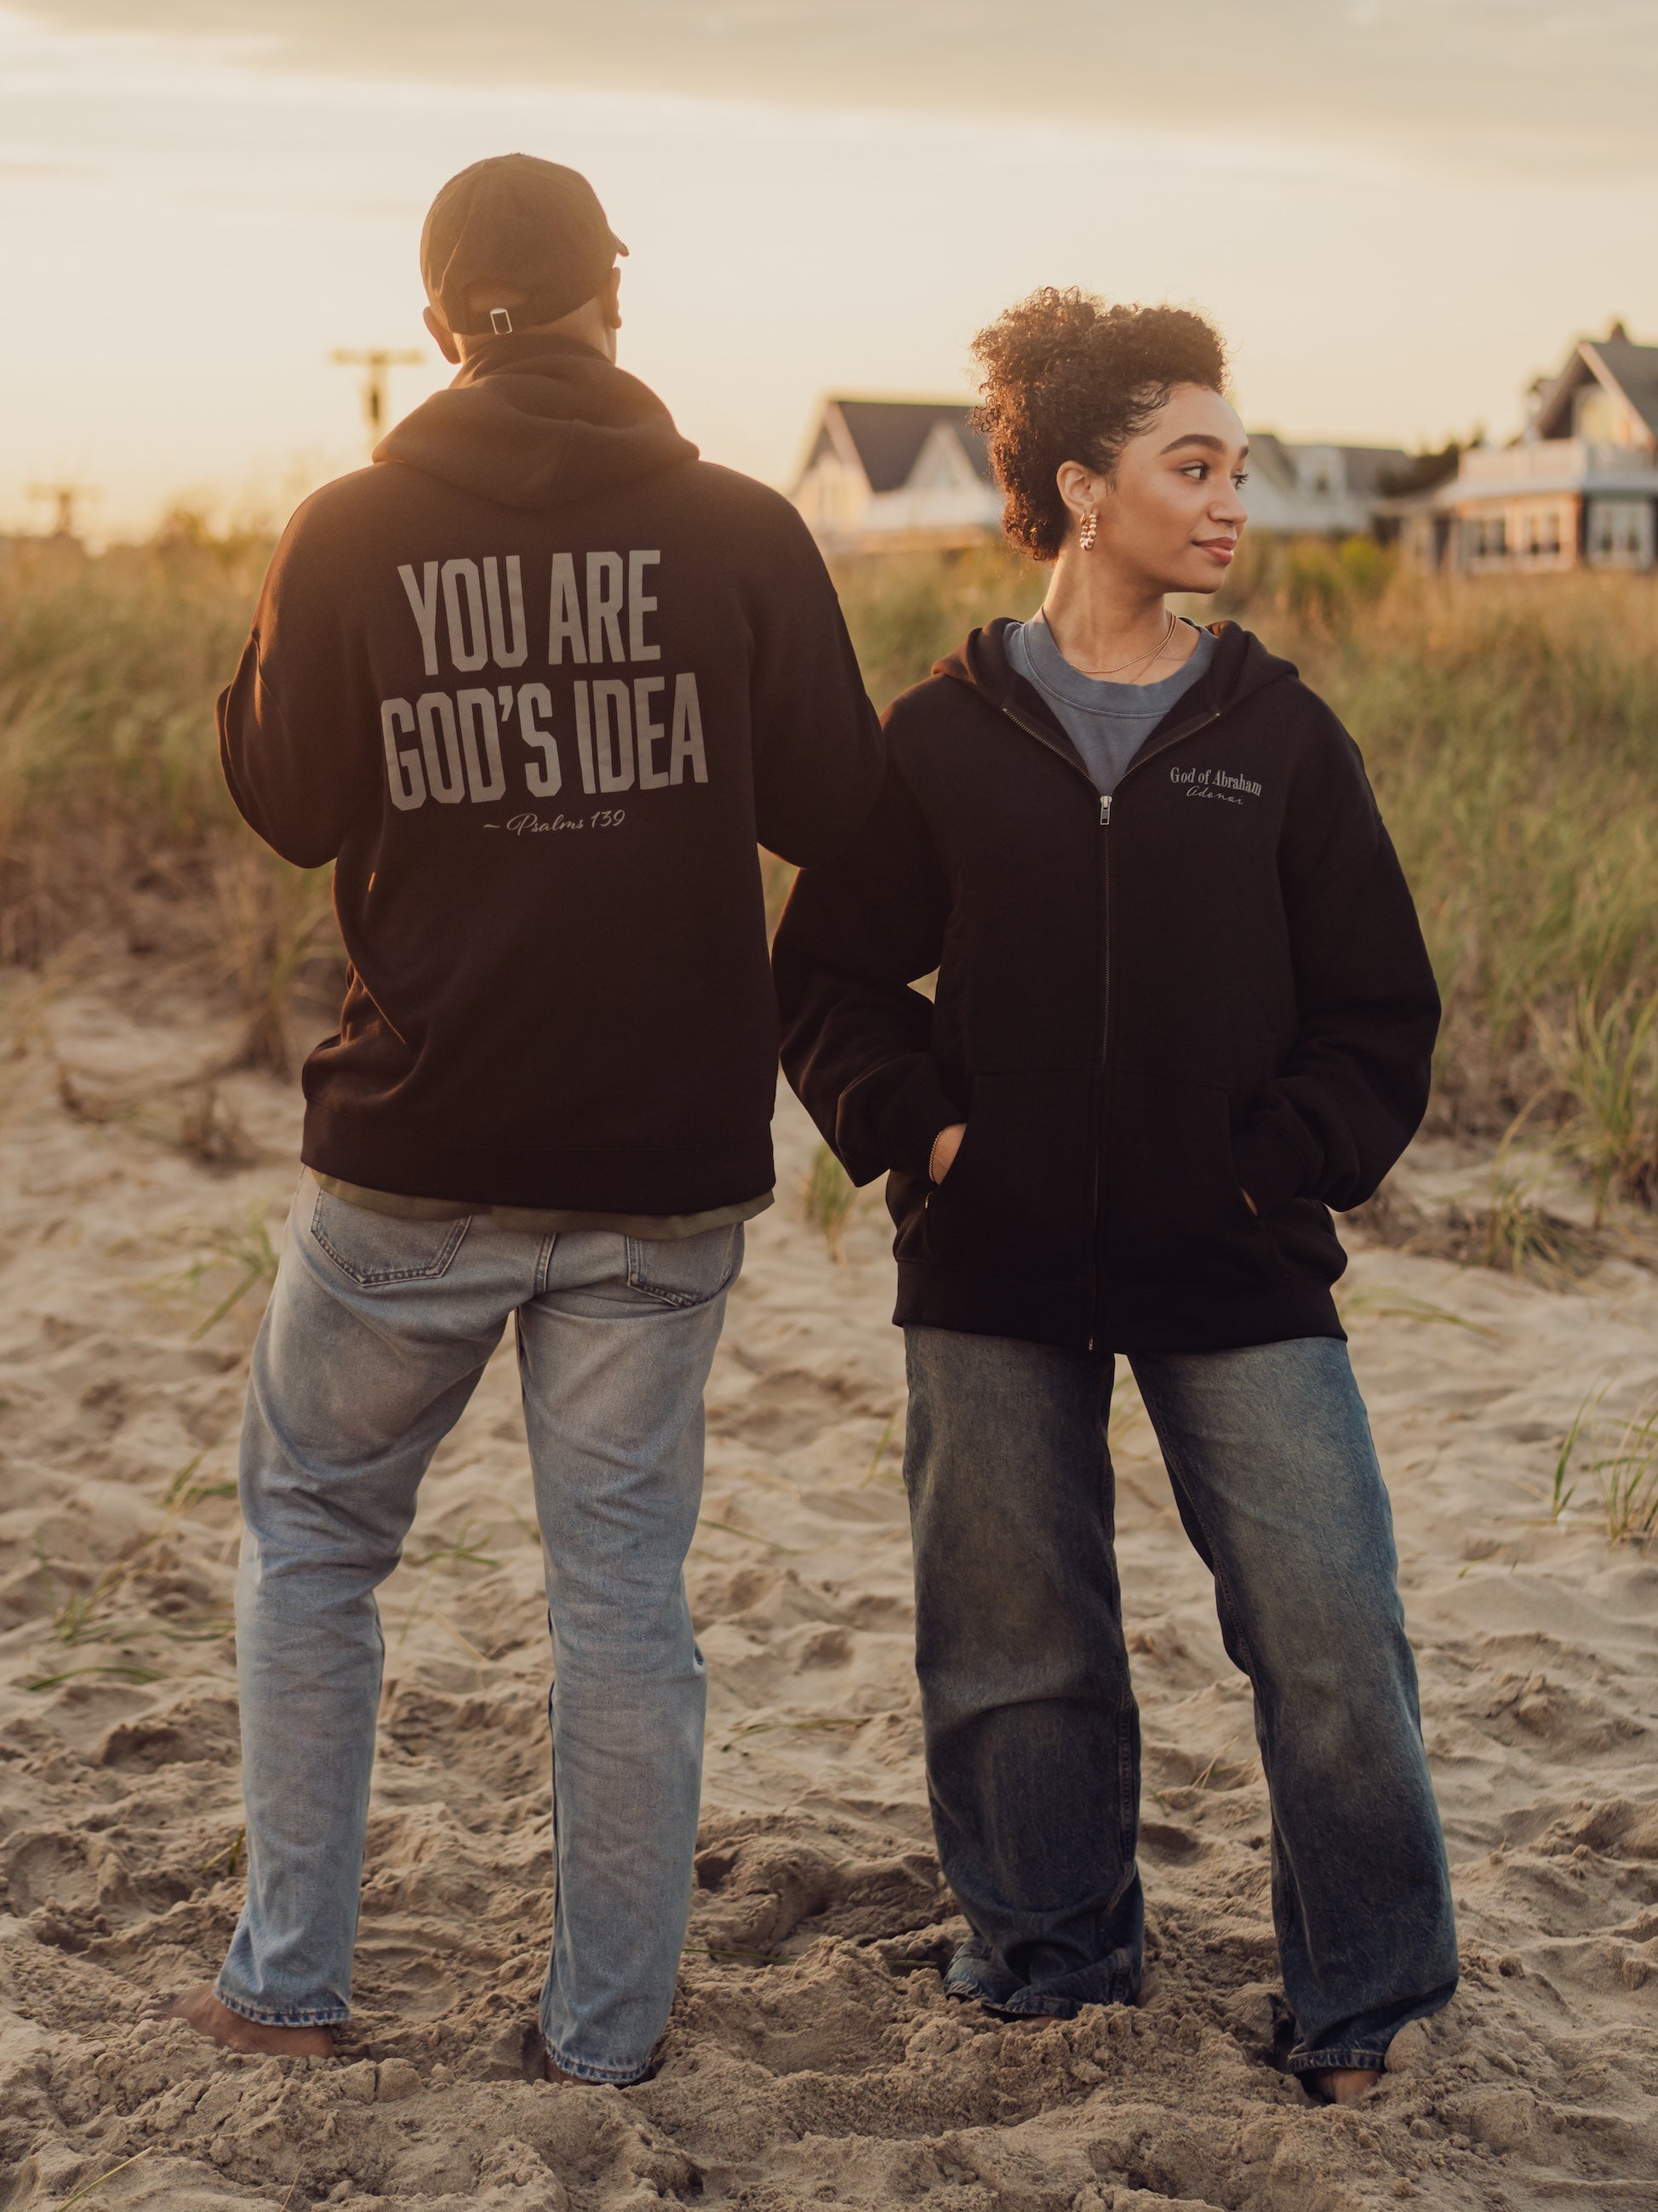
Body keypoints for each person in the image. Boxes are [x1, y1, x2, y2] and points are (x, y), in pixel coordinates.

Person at [163, 152, 883, 2086]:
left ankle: (286, 1987)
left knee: (314, 1539)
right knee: (622, 1606)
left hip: (414, 1150)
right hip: (658, 1173)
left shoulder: (348, 526)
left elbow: (290, 798)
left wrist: (280, 631)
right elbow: (842, 808)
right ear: (610, 305)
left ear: (432, 322)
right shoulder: (740, 531)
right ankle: (606, 2039)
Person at [774, 287, 1457, 2103]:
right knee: (1013, 1646)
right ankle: (1047, 1958)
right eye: (1194, 464)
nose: (1233, 501)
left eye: (1240, 467)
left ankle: (1366, 2001)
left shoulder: (1277, 735)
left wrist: (1259, 1169)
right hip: (989, 1265)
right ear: (1083, 486)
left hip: (1234, 1270)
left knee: (1328, 1633)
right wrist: (927, 1141)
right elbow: (828, 977)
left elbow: (1380, 1015)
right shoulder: (945, 733)